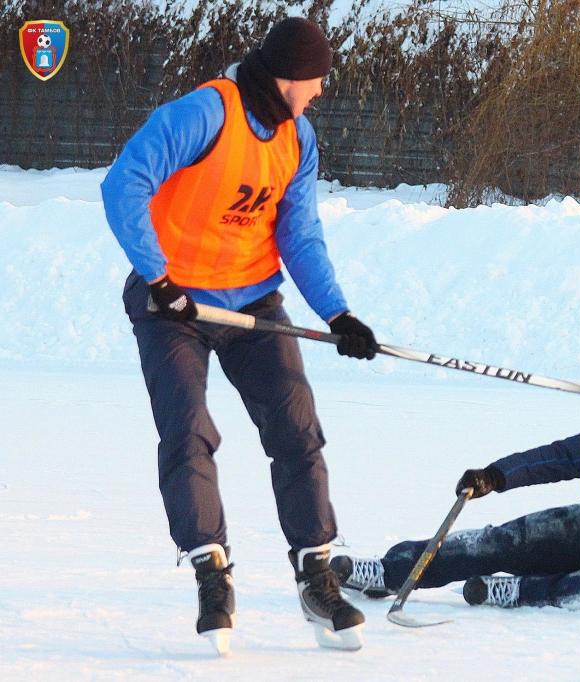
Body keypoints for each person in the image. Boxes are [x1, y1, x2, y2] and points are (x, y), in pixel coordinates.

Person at [101, 17, 377, 654]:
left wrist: (338, 315)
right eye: (316, 81)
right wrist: (159, 277)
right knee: (188, 426)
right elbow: (123, 184)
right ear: (287, 76)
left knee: (296, 425)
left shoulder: (297, 137)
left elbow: (299, 235)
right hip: (173, 306)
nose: (319, 93)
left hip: (253, 303)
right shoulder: (204, 114)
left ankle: (316, 573)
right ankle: (211, 574)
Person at [333, 407, 580, 620]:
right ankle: (388, 571)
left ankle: (521, 591)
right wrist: (498, 475)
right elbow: (563, 456)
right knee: (502, 542)